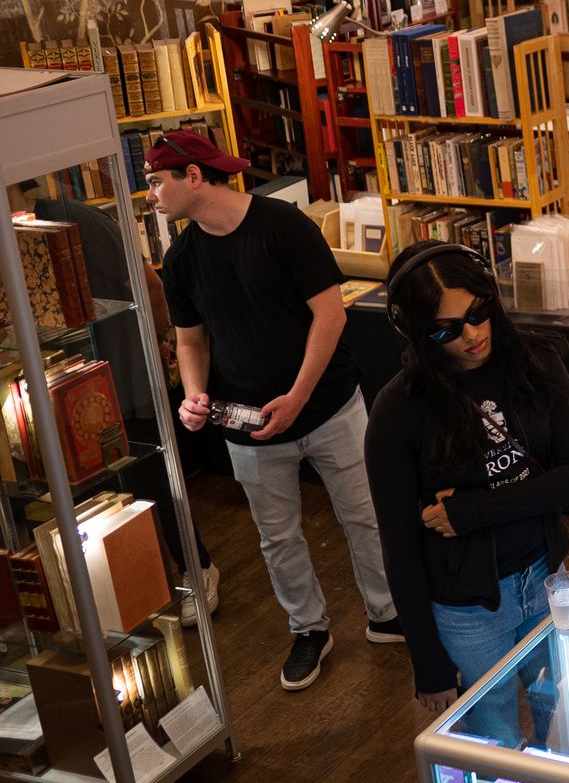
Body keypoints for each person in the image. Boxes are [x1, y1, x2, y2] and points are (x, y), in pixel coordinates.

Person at [148, 130, 401, 693]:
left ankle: (387, 614)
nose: (151, 194)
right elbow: (191, 341)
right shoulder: (182, 258)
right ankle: (308, 630)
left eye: (156, 180)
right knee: (277, 536)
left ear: (193, 176)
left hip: (330, 406)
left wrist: (300, 396)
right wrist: (194, 393)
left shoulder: (285, 227)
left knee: (364, 515)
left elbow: (330, 316)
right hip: (246, 423)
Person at [364, 242, 569, 747]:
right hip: (465, 610)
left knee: (565, 723)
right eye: (447, 329)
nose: (472, 335)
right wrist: (426, 661)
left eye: (477, 313)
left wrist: (470, 510)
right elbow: (399, 546)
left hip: (545, 579)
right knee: (494, 740)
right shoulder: (399, 410)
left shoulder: (538, 362)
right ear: (417, 333)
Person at [5, 180, 219, 622]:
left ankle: (197, 570)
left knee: (152, 482)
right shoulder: (19, 232)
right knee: (103, 497)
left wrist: (160, 344)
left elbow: (149, 286)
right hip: (70, 382)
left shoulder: (79, 219)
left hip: (125, 376)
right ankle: (136, 589)